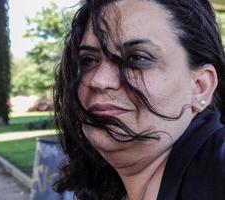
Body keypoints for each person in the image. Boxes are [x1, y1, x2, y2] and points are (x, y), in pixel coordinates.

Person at [53, 0, 225, 199]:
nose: (98, 80)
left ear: (199, 87)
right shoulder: (99, 186)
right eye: (88, 60)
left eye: (137, 58)